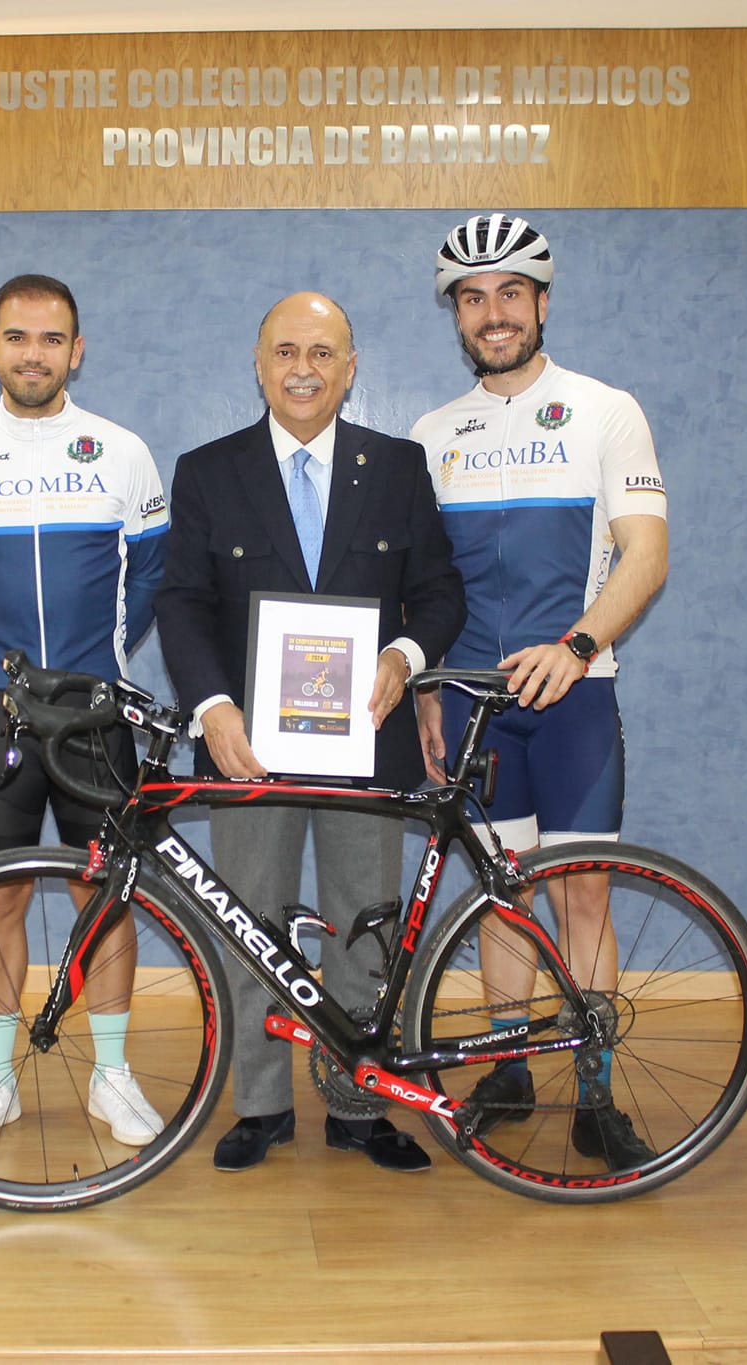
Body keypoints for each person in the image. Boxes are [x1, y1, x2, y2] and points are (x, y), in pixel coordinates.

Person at [155, 292, 464, 1174]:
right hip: (248, 744)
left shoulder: (399, 467)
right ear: (258, 364)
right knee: (251, 922)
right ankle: (260, 1104)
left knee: (364, 923)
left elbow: (441, 592)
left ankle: (362, 1103)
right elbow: (182, 603)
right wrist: (213, 708)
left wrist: (405, 655)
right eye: (286, 350)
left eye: (323, 353)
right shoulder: (209, 471)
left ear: (350, 367)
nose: (303, 368)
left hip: (367, 738)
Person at [409, 213, 670, 1168]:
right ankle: (512, 1063)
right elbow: (424, 586)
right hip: (474, 704)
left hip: (575, 698)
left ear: (542, 302)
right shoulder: (432, 433)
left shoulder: (606, 409)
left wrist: (578, 642)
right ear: (458, 317)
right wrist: (429, 693)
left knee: (582, 900)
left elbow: (647, 555)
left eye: (510, 293)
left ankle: (597, 1090)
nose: (493, 313)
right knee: (498, 897)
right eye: (473, 299)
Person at [0, 274, 170, 1152]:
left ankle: (113, 1075)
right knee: (0, 897)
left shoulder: (122, 452)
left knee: (103, 893)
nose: (34, 353)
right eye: (17, 338)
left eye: (51, 338)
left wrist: (94, 670)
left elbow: (153, 579)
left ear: (77, 349)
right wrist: (8, 671)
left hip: (99, 708)